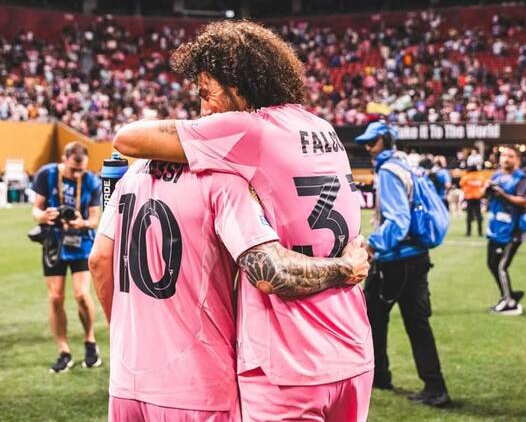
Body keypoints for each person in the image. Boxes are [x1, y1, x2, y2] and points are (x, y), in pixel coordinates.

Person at [113, 21, 374, 421]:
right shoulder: (323, 129)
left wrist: (344, 269)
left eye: (207, 92)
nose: (203, 110)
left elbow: (128, 139)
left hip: (290, 358)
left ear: (237, 84)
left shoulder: (248, 129)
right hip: (351, 345)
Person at [90, 158, 370, 421]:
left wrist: (123, 333)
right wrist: (345, 266)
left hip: (126, 383)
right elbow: (271, 273)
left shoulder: (133, 173)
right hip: (198, 385)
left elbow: (99, 260)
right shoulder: (222, 179)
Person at [354, 122, 451, 408]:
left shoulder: (387, 170)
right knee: (417, 324)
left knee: (373, 318)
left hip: (395, 261)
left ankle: (380, 375)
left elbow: (398, 220)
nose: (367, 148)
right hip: (418, 257)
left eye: (371, 143)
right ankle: (435, 386)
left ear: (384, 141)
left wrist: (372, 245)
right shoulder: (407, 164)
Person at [31, 142, 102, 373]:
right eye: (73, 169)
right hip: (54, 241)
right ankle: (63, 350)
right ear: (64, 159)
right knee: (55, 297)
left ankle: (90, 341)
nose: (77, 173)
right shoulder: (47, 174)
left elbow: (94, 219)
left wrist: (82, 222)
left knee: (82, 294)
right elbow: (36, 210)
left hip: (81, 242)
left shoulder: (92, 181)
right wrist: (44, 216)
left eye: (81, 169)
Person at [481, 146, 526, 316]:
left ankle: (509, 301)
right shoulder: (496, 176)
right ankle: (511, 294)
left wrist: (504, 195)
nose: (506, 159)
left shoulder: (521, 178)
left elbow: (525, 201)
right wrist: (487, 190)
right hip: (496, 228)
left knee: (501, 265)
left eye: (510, 156)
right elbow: (485, 197)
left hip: (513, 230)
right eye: (503, 155)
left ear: (517, 159)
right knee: (491, 264)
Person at [460, 165, 485, 237]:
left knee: (469, 215)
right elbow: (483, 185)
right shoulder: (480, 177)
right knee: (479, 215)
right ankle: (480, 232)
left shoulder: (466, 177)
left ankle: (468, 232)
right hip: (478, 197)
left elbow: (461, 184)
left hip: (469, 198)